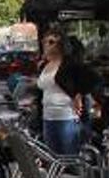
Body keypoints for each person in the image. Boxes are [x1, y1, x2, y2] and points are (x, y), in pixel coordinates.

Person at [37, 28, 86, 156]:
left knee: (70, 160)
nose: (47, 45)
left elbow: (89, 80)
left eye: (51, 41)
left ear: (61, 44)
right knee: (53, 160)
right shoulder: (45, 65)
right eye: (45, 41)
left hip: (66, 117)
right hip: (48, 117)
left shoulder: (69, 63)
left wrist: (78, 95)